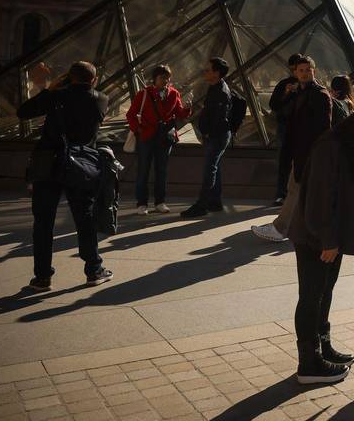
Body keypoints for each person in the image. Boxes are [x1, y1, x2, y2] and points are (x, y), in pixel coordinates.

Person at [287, 101, 354, 384]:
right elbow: (319, 200)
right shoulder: (330, 146)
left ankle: (322, 348)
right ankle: (309, 363)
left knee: (324, 293)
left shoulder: (348, 146)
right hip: (318, 239)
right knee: (311, 297)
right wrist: (329, 240)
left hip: (329, 238)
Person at [20, 60, 112, 291]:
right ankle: (93, 269)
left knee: (43, 223)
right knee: (84, 219)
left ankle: (42, 277)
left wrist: (51, 89)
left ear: (69, 78)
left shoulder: (55, 97)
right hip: (80, 165)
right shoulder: (101, 99)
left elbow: (23, 112)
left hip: (48, 164)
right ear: (94, 79)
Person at [252, 56, 334, 239]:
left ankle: (281, 229)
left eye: (308, 70)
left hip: (309, 151)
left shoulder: (319, 95)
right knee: (299, 189)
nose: (305, 73)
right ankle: (298, 228)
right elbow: (278, 107)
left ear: (314, 71)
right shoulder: (300, 92)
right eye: (301, 70)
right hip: (300, 150)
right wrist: (288, 94)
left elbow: (324, 127)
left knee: (296, 188)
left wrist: (316, 152)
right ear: (295, 73)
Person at [126, 64, 191, 215]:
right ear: (154, 79)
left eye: (168, 78)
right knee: (143, 171)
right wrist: (139, 130)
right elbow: (131, 115)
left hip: (164, 137)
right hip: (147, 136)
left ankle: (160, 202)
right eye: (162, 78)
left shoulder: (174, 94)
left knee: (161, 171)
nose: (166, 81)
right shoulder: (143, 94)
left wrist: (187, 109)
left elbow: (180, 114)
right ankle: (141, 204)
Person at [181, 58, 233, 218]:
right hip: (216, 135)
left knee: (209, 170)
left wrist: (208, 133)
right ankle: (215, 201)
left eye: (208, 70)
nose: (205, 72)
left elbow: (219, 118)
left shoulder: (220, 92)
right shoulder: (216, 87)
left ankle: (202, 205)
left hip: (216, 137)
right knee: (214, 168)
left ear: (216, 73)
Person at [269, 55, 306, 206]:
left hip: (301, 127)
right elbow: (273, 105)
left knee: (300, 162)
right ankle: (282, 193)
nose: (295, 72)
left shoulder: (310, 86)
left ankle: (297, 193)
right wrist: (286, 93)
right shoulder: (284, 84)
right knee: (284, 161)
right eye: (293, 69)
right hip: (286, 126)